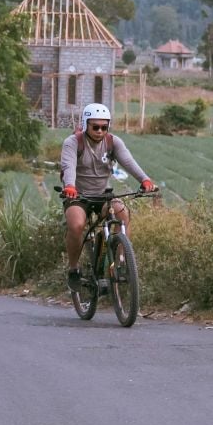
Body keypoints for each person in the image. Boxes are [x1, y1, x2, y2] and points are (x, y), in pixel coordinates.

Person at [60, 103, 156, 292]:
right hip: (78, 195)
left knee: (122, 212)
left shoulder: (113, 142)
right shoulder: (73, 142)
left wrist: (145, 180)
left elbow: (128, 161)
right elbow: (68, 166)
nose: (100, 131)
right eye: (95, 126)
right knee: (77, 225)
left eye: (104, 127)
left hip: (103, 194)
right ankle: (73, 269)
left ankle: (120, 262)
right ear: (85, 124)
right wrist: (70, 186)